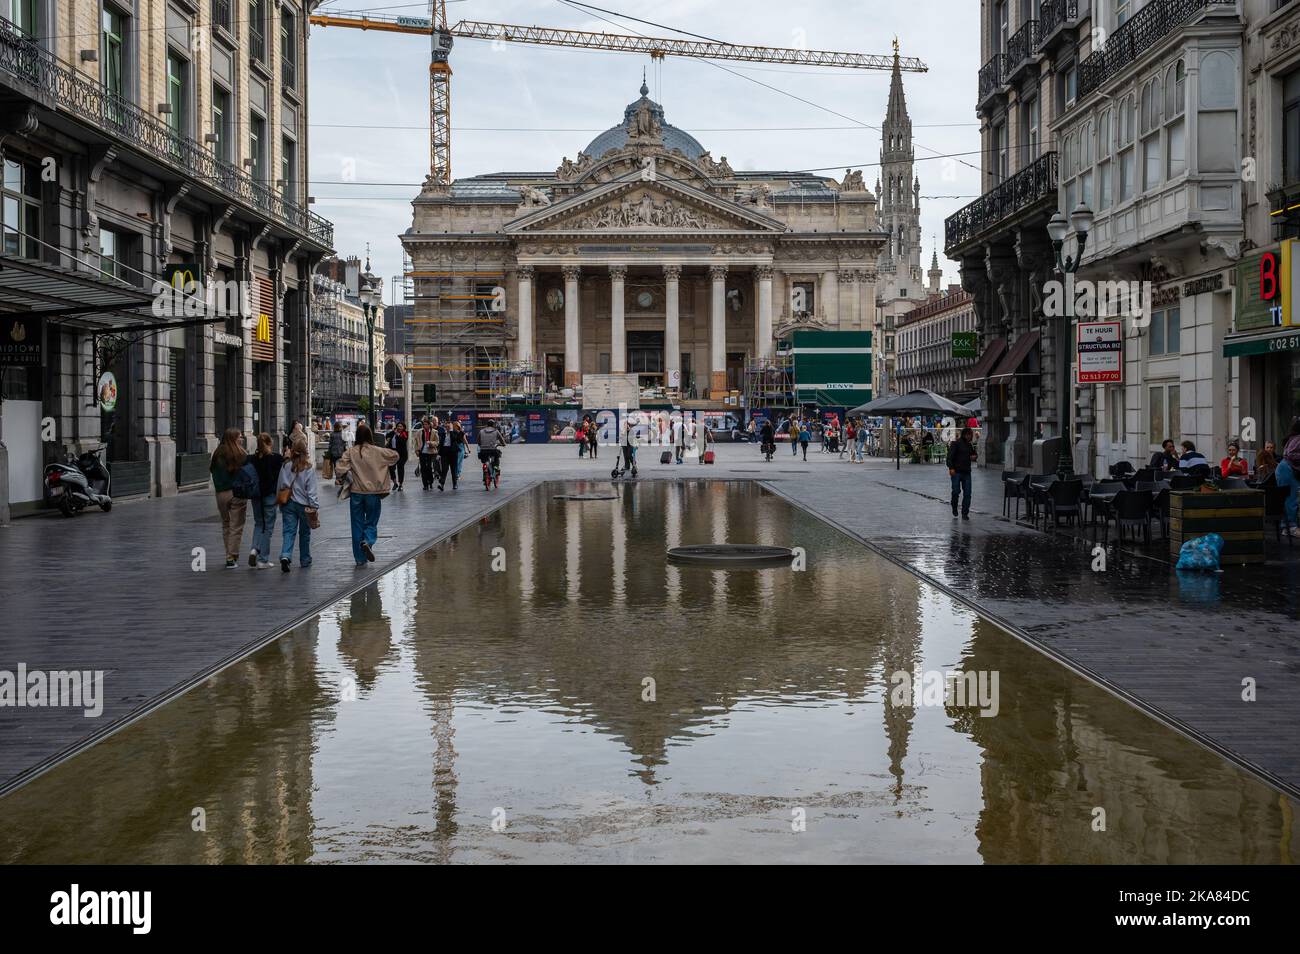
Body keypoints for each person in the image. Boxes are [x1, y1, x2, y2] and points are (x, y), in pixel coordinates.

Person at [333, 423, 399, 566]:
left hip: (357, 492)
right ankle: (367, 541)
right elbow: (395, 456)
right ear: (370, 436)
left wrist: (347, 472)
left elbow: (339, 468)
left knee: (356, 525)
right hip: (373, 493)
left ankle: (360, 559)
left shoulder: (351, 452)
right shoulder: (378, 451)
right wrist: (380, 466)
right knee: (371, 521)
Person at [277, 435, 320, 573]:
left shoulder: (286, 465)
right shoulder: (308, 468)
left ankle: (285, 555)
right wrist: (314, 506)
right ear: (305, 451)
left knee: (288, 531)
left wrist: (280, 501)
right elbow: (311, 491)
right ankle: (305, 559)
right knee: (304, 533)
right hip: (304, 505)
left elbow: (281, 485)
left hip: (288, 503)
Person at [210, 428, 248, 569]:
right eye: (240, 437)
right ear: (233, 438)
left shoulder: (217, 453)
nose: (242, 439)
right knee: (236, 526)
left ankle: (229, 555)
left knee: (226, 524)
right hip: (236, 493)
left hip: (220, 494)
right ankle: (231, 556)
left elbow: (213, 472)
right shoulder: (240, 454)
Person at [248, 432, 283, 569]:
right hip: (270, 496)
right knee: (268, 528)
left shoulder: (252, 459)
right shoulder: (277, 459)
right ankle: (263, 559)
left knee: (258, 524)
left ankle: (254, 548)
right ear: (270, 443)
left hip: (256, 496)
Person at [946, 426, 976, 520]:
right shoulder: (956, 444)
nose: (972, 436)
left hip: (967, 472)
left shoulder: (969, 445)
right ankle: (954, 506)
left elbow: (974, 454)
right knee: (956, 491)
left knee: (967, 493)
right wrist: (951, 468)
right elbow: (949, 457)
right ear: (966, 435)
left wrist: (974, 456)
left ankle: (965, 513)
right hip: (956, 472)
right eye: (971, 434)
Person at [1277, 419, 1300, 535]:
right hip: (1287, 469)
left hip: (1288, 469)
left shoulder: (1294, 438)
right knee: (1290, 499)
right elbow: (1290, 454)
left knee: (1292, 498)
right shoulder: (1298, 438)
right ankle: (1289, 527)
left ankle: (1290, 525)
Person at [436, 416, 463, 490]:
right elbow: (441, 444)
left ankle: (455, 484)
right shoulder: (443, 434)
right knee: (444, 469)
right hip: (445, 453)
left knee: (453, 469)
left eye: (448, 427)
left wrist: (451, 431)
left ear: (451, 427)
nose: (447, 428)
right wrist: (439, 454)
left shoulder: (455, 433)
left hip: (453, 453)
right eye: (446, 427)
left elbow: (455, 439)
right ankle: (442, 484)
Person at [477, 417, 504, 484]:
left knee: (485, 461)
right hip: (492, 450)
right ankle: (496, 468)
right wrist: (503, 444)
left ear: (487, 425)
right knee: (497, 456)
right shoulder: (496, 431)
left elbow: (478, 441)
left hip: (483, 451)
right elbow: (502, 441)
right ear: (493, 425)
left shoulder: (481, 431)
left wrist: (482, 445)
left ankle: (485, 476)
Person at [416, 417, 437, 490]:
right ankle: (425, 485)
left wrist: (431, 443)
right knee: (423, 468)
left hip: (431, 452)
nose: (425, 426)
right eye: (424, 424)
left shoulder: (434, 432)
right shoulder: (419, 432)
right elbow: (416, 441)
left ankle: (430, 481)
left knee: (429, 468)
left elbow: (437, 442)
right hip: (422, 452)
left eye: (426, 424)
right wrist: (417, 450)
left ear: (429, 425)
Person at [387, 422, 409, 491]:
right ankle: (395, 483)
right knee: (390, 468)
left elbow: (403, 442)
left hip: (402, 454)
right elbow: (387, 435)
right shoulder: (394, 432)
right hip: (393, 453)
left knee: (400, 468)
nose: (399, 428)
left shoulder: (405, 433)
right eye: (398, 426)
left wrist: (398, 435)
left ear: (403, 427)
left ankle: (400, 484)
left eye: (401, 426)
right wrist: (391, 435)